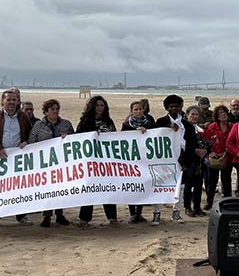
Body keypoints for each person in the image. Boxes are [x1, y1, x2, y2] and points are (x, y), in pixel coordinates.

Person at [0, 87, 34, 229]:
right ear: (2, 101)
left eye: (14, 100)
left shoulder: (23, 117)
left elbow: (30, 135)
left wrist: (26, 142)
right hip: (1, 157)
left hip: (18, 158)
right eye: (8, 100)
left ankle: (21, 215)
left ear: (18, 101)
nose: (12, 102)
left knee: (19, 187)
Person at [28, 99, 74, 227]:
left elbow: (75, 140)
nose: (55, 111)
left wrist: (68, 137)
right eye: (52, 109)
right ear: (46, 111)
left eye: (56, 108)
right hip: (45, 163)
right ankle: (47, 216)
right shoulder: (38, 125)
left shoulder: (66, 124)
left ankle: (60, 215)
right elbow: (32, 141)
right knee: (47, 190)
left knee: (60, 189)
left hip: (61, 163)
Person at [75, 96, 119, 226]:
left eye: (102, 105)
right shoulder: (85, 121)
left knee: (108, 188)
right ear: (92, 107)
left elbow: (115, 137)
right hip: (91, 161)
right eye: (97, 105)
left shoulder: (108, 121)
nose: (100, 108)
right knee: (90, 189)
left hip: (107, 161)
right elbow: (78, 138)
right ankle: (84, 218)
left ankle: (112, 217)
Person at [156, 94, 197, 224]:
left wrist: (185, 161)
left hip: (181, 159)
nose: (174, 108)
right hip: (164, 159)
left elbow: (191, 144)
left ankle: (176, 212)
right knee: (159, 186)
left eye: (176, 106)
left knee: (180, 187)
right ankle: (156, 213)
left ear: (180, 107)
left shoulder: (187, 125)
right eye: (171, 106)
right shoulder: (160, 122)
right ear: (167, 108)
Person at [121, 101, 159, 224]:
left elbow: (156, 135)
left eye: (140, 109)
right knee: (132, 186)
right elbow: (121, 139)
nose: (138, 111)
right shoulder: (127, 124)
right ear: (131, 111)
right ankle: (132, 213)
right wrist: (134, 132)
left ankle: (139, 213)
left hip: (146, 159)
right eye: (135, 109)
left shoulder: (150, 122)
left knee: (144, 185)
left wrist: (146, 131)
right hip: (132, 159)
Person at [203, 105, 234, 211]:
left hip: (228, 157)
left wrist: (228, 152)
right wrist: (211, 152)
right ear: (216, 116)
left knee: (226, 181)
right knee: (211, 182)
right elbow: (206, 141)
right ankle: (209, 202)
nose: (223, 115)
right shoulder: (212, 126)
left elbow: (235, 141)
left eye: (224, 112)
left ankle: (227, 202)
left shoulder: (232, 126)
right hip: (214, 157)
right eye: (220, 113)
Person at [183, 106, 209, 217]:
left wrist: (205, 150)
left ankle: (197, 207)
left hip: (200, 161)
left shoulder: (200, 129)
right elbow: (182, 145)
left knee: (198, 185)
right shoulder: (183, 128)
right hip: (189, 160)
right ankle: (187, 207)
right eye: (192, 114)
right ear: (187, 115)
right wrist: (194, 150)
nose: (194, 116)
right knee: (188, 185)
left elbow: (206, 143)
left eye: (196, 114)